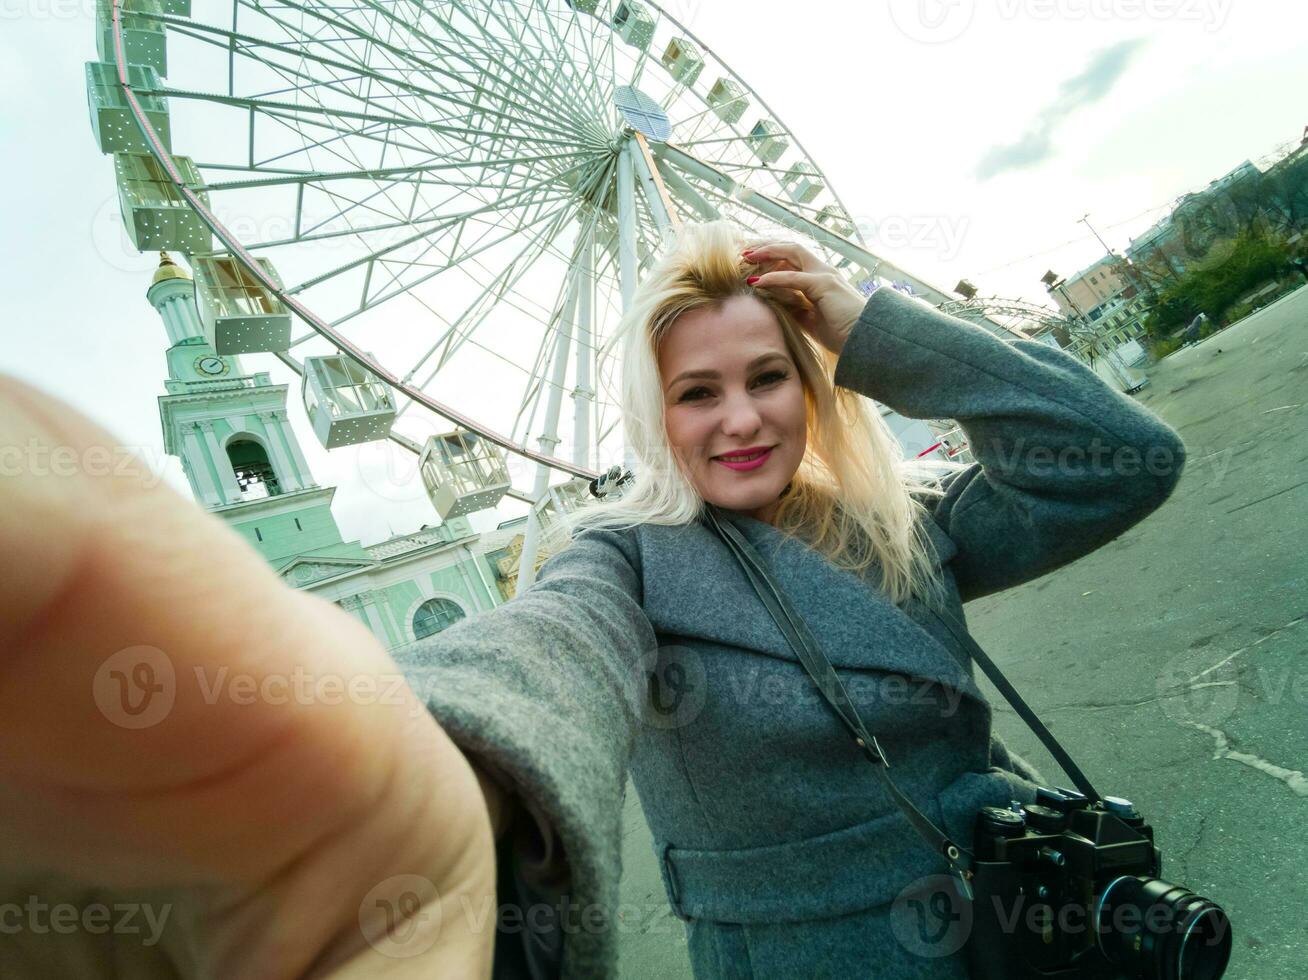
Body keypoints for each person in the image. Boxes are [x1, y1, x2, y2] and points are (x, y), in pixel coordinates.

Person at [0, 220, 1186, 979]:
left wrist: (873, 324)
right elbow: (541, 651)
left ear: (815, 387)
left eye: (771, 376)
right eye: (698, 390)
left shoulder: (903, 520)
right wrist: (421, 760)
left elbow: (1123, 457)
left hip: (1033, 916)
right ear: (655, 418)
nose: (740, 417)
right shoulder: (626, 561)